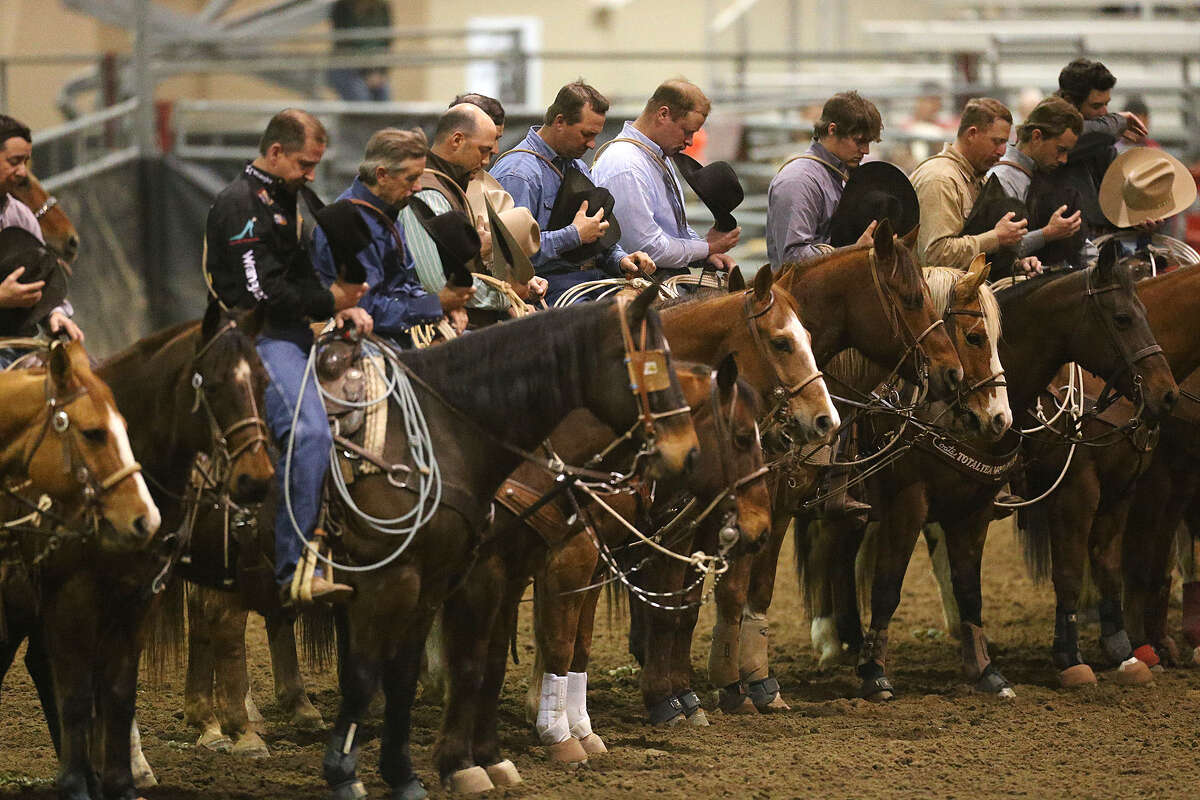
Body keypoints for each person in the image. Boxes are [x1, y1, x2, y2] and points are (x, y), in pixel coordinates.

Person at [203, 109, 364, 606]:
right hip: (254, 339)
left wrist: (340, 314)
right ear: (275, 153)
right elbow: (260, 294)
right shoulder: (239, 205)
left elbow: (297, 275)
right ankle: (295, 569)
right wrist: (331, 303)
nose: (311, 174)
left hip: (296, 331)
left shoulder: (284, 197)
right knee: (311, 432)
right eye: (304, 163)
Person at [490, 81, 656, 303]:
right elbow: (509, 256)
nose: (591, 144)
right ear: (560, 121)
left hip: (584, 280)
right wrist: (573, 235)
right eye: (586, 134)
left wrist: (620, 259)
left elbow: (595, 236)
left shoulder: (575, 166)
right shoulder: (518, 173)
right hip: (545, 287)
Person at [312, 128, 470, 343]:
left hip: (398, 330)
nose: (418, 187)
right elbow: (367, 307)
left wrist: (440, 308)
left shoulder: (388, 210)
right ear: (382, 175)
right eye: (411, 179)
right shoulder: (348, 222)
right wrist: (436, 304)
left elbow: (406, 284)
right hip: (364, 335)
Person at [398, 104, 543, 327]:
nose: (486, 161)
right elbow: (437, 285)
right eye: (483, 150)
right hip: (442, 325)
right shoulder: (427, 192)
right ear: (457, 140)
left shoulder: (449, 186)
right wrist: (508, 296)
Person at [592, 79, 740, 278]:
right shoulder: (626, 164)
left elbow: (672, 230)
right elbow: (646, 247)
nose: (689, 141)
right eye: (687, 131)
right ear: (663, 114)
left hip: (660, 277)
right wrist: (707, 248)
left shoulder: (655, 154)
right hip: (635, 282)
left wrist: (705, 253)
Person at [910, 97, 1040, 275]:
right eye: (997, 142)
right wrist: (996, 238)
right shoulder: (940, 179)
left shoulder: (979, 179)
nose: (1002, 152)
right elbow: (935, 256)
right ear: (971, 134)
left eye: (1005, 143)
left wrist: (1015, 265)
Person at [766, 91, 883, 267]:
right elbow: (792, 258)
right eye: (859, 141)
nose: (866, 150)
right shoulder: (798, 181)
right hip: (800, 293)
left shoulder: (842, 173)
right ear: (832, 130)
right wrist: (852, 254)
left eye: (869, 142)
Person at [0, 114, 83, 350]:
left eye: (25, 162)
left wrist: (54, 314)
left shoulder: (21, 216)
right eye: (14, 161)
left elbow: (42, 279)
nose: (23, 171)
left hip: (15, 345)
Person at [1055, 58, 1149, 237]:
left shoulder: (1100, 141)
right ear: (1069, 101)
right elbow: (1074, 135)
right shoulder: (1051, 132)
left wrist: (1137, 220)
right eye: (1096, 106)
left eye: (1107, 104)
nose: (1104, 113)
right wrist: (1117, 122)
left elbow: (1115, 196)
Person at [985, 96, 1084, 261]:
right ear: (1037, 136)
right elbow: (1000, 251)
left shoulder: (1046, 173)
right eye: (1060, 149)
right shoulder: (1002, 178)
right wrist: (1047, 234)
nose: (1063, 159)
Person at [328, 0, 392, 102]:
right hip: (348, 67)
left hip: (375, 68)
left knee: (385, 92)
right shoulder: (342, 7)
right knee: (361, 95)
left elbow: (386, 42)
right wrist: (367, 73)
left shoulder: (382, 7)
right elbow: (344, 44)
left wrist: (381, 72)